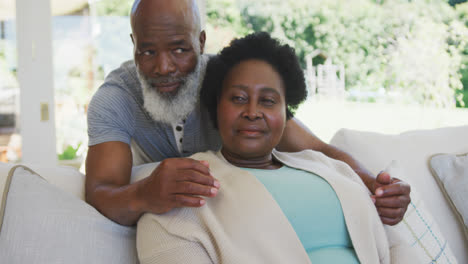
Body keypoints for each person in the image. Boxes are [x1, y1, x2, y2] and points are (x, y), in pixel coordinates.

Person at [85, 0, 410, 227]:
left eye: (179, 49)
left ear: (201, 41)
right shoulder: (115, 98)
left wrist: (374, 185)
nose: (164, 67)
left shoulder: (230, 81)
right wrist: (145, 192)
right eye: (147, 51)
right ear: (133, 43)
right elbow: (101, 191)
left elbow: (316, 149)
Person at [136, 32, 421, 264]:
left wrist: (385, 193)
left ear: (286, 114)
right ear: (215, 106)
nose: (252, 111)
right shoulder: (185, 186)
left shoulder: (328, 168)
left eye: (268, 101)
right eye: (237, 98)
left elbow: (395, 247)